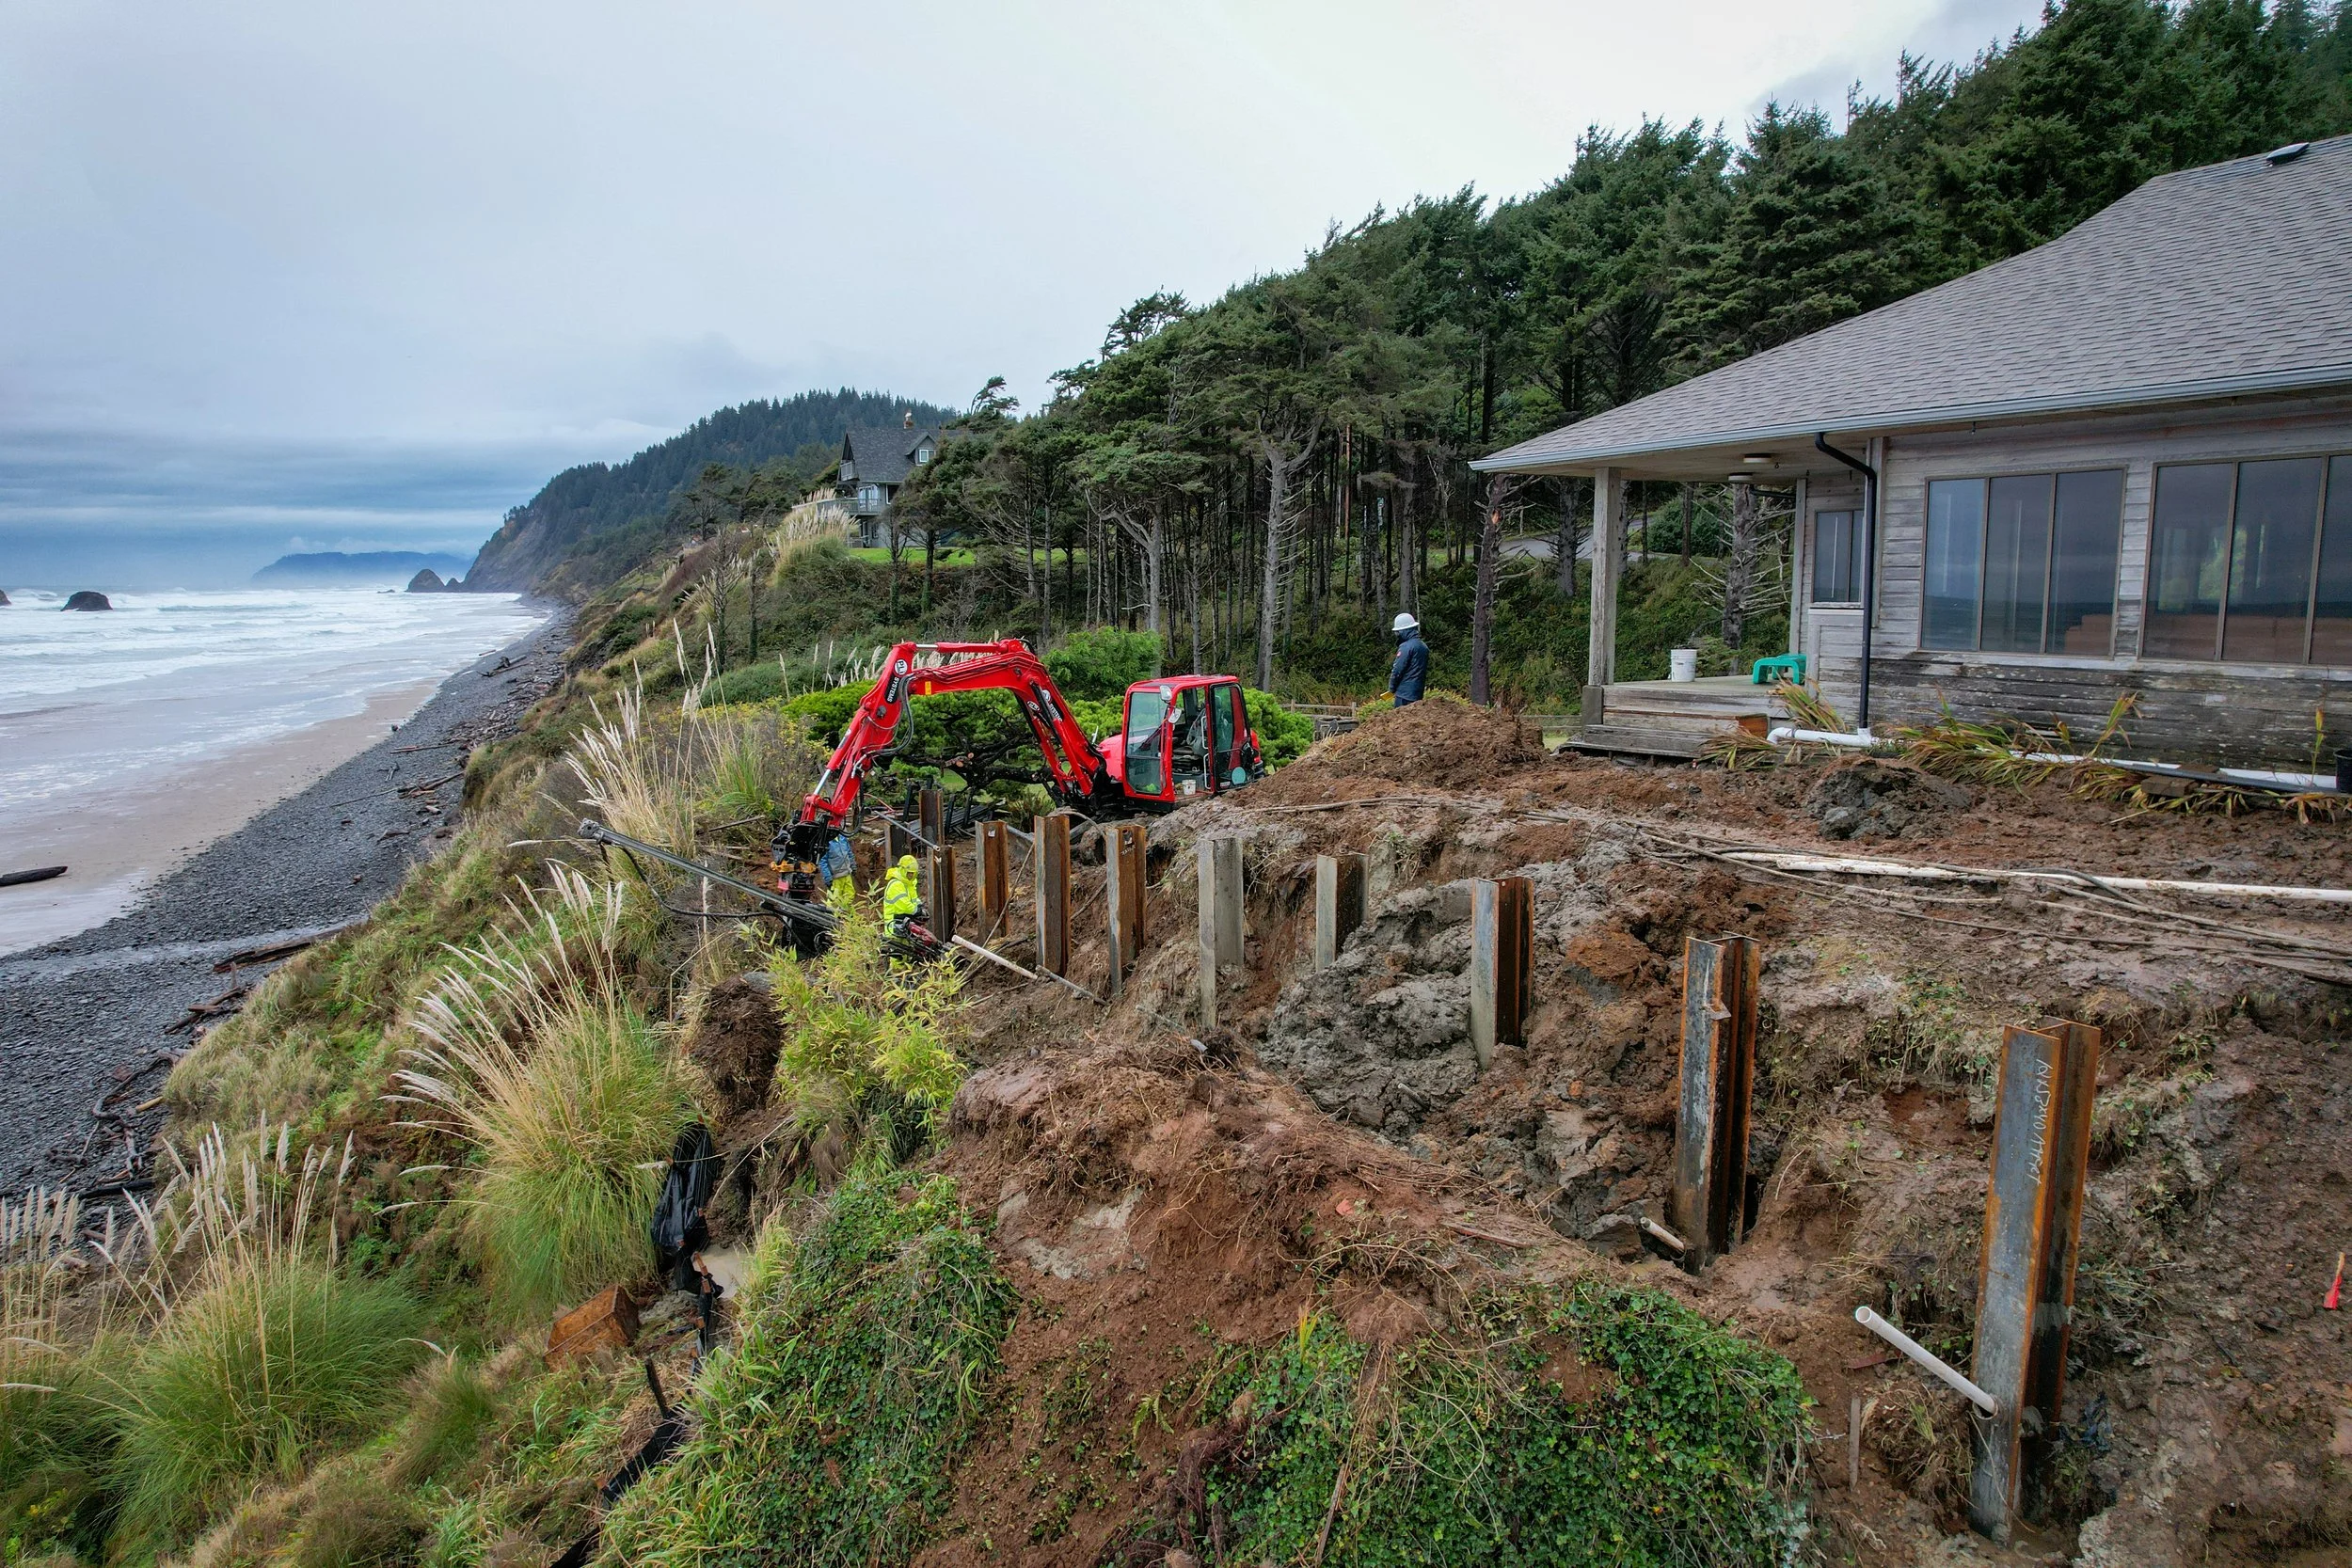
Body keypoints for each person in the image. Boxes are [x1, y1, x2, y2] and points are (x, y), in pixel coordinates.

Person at [1388, 611, 1429, 706]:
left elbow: (1397, 670)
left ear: (1404, 631)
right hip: (1418, 693)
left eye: (1398, 632)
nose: (1397, 634)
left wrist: (1392, 688)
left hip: (1404, 695)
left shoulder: (1406, 647)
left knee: (1401, 715)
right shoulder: (1423, 646)